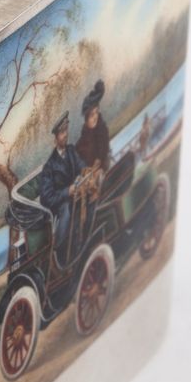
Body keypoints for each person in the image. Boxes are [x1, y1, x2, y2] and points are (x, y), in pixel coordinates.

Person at [39, 111, 84, 265]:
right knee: (66, 209)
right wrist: (67, 192)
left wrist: (81, 176)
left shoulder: (71, 150)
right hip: (60, 209)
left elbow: (81, 166)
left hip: (78, 196)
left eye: (66, 130)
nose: (65, 135)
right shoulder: (49, 167)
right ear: (55, 139)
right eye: (62, 133)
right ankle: (62, 251)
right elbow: (46, 199)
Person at [76, 79, 112, 171]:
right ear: (86, 119)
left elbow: (103, 153)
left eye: (96, 112)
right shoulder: (84, 137)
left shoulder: (102, 132)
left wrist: (99, 161)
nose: (95, 117)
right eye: (92, 115)